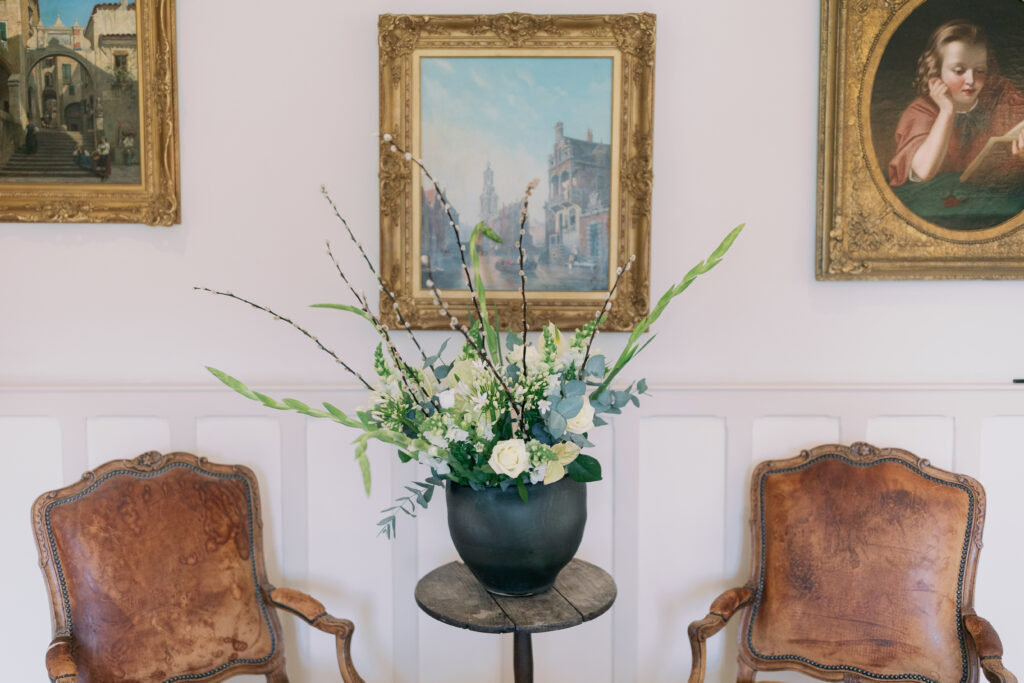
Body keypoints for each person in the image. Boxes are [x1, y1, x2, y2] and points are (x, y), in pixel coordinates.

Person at [888, 20, 1024, 186]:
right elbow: (924, 171)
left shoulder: (1002, 94)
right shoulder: (920, 111)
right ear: (936, 71)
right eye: (959, 71)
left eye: (980, 70)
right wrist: (946, 111)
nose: (971, 80)